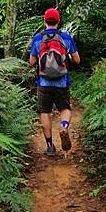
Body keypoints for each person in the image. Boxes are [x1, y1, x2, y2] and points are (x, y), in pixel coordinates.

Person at [29, 8, 80, 155]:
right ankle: (64, 127)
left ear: (45, 21)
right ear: (58, 21)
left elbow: (32, 62)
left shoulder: (38, 38)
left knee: (45, 112)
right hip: (62, 82)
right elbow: (77, 60)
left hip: (44, 83)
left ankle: (50, 146)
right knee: (65, 109)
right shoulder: (66, 37)